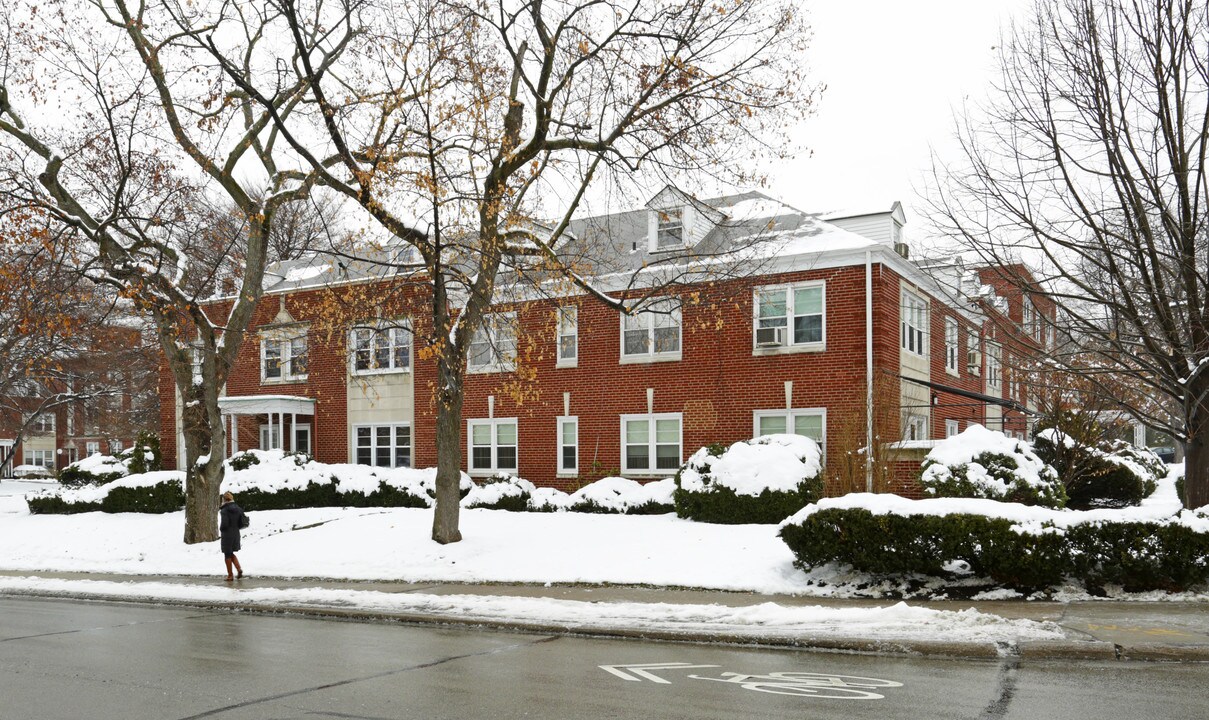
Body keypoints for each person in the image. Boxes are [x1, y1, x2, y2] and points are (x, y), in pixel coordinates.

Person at [218, 491, 246, 581]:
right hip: (236, 533)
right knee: (230, 553)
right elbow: (242, 523)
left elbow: (224, 524)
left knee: (227, 554)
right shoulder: (238, 508)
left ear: (224, 500)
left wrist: (221, 529)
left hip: (227, 534)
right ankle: (239, 569)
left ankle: (230, 575)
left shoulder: (224, 510)